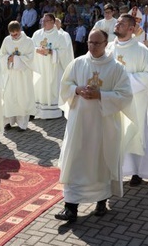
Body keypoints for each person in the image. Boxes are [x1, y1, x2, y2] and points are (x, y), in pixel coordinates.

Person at [54, 28, 133, 222]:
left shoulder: (116, 68)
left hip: (103, 125)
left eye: (97, 43)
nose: (92, 46)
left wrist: (101, 95)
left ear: (106, 44)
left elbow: (126, 96)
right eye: (90, 42)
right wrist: (77, 89)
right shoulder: (78, 63)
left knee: (101, 161)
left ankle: (101, 202)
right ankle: (70, 207)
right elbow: (64, 87)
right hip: (79, 123)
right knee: (75, 160)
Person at [110, 14, 148, 186]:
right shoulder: (109, 48)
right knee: (115, 135)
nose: (117, 25)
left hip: (135, 101)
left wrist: (125, 81)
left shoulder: (141, 50)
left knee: (136, 135)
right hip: (113, 102)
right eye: (117, 22)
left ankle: (137, 171)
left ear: (131, 29)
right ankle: (115, 169)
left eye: (121, 23)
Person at [32, 13, 74, 119]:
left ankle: (53, 112)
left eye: (46, 21)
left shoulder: (60, 36)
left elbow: (64, 52)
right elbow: (31, 47)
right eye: (43, 20)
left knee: (52, 88)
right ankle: (38, 110)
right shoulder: (37, 34)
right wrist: (37, 49)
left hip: (53, 68)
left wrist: (50, 51)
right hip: (40, 66)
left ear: (52, 22)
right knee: (39, 87)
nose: (44, 23)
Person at [0, 21, 36, 131]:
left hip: (23, 75)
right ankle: (8, 122)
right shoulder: (7, 40)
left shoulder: (28, 41)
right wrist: (7, 59)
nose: (14, 36)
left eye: (16, 34)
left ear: (20, 30)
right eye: (12, 34)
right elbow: (1, 55)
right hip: (10, 74)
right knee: (9, 97)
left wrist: (15, 59)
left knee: (22, 98)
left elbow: (31, 58)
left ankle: (22, 124)